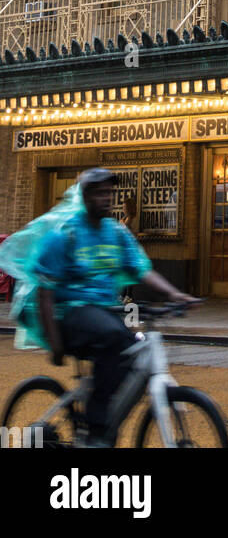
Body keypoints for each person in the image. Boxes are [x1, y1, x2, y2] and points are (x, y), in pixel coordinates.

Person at [35, 167, 198, 447]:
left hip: (104, 314)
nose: (107, 198)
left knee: (134, 353)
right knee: (116, 338)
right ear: (84, 196)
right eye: (99, 193)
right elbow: (44, 291)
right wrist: (55, 343)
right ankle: (97, 427)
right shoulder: (66, 234)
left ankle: (106, 418)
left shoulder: (116, 233)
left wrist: (175, 294)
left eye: (109, 192)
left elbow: (141, 270)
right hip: (72, 313)